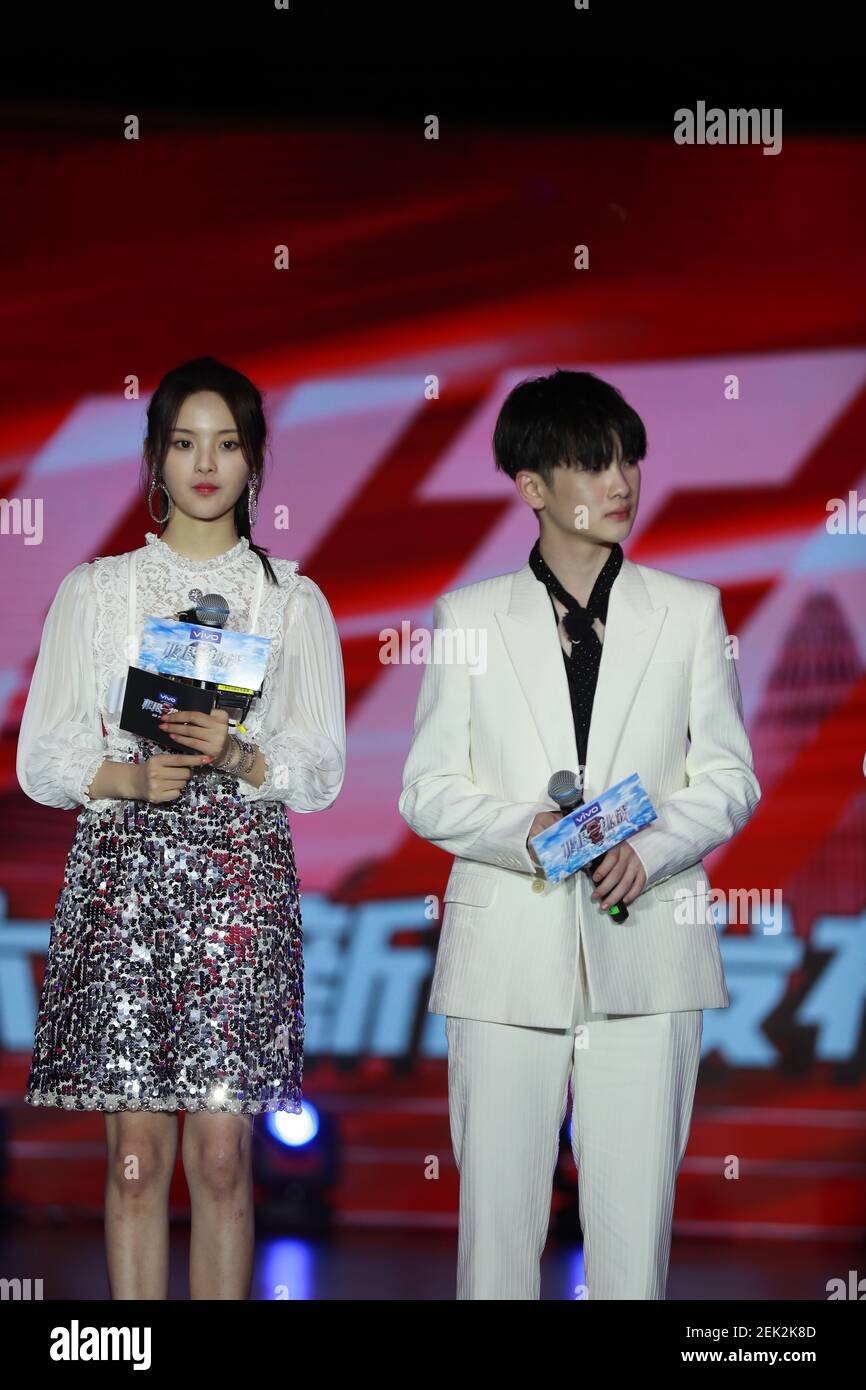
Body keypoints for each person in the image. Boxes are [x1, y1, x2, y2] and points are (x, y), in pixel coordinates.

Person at [399, 369, 761, 1299]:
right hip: (506, 959)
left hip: (646, 957)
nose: (621, 484)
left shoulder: (689, 611)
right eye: (595, 464)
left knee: (634, 1243)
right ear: (533, 487)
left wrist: (652, 846)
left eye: (629, 460)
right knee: (498, 1241)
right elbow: (428, 792)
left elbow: (729, 775)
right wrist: (533, 832)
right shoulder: (467, 617)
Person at [16, 355, 346, 1300]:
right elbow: (42, 755)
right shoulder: (100, 591)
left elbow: (319, 767)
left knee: (221, 1158)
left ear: (255, 461)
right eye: (185, 442)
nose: (207, 463)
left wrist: (240, 757)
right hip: (121, 883)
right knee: (132, 1160)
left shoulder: (291, 601)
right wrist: (129, 775)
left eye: (229, 443)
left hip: (237, 890)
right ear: (155, 460)